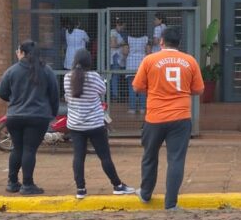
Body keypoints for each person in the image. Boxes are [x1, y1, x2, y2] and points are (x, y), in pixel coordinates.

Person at [132, 27, 204, 210]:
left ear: (161, 42)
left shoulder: (150, 60)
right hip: (180, 117)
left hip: (155, 117)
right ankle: (170, 203)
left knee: (149, 156)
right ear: (179, 43)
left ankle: (145, 193)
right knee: (176, 159)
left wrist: (155, 88)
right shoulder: (190, 61)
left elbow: (137, 87)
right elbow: (198, 90)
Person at [64, 49, 135, 199]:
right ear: (89, 62)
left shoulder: (67, 77)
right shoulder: (94, 77)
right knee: (104, 156)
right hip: (95, 124)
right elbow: (102, 91)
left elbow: (68, 95)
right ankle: (117, 185)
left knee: (78, 156)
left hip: (75, 125)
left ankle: (81, 189)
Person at [0, 40, 60, 195]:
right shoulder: (46, 71)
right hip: (38, 116)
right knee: (29, 150)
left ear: (23, 53)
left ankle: (12, 183)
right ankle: (27, 184)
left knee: (17, 148)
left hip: (14, 116)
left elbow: (1, 92)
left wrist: (14, 101)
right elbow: (54, 94)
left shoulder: (12, 71)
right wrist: (52, 113)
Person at [126, 31, 150, 114]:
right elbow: (148, 51)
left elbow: (125, 52)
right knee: (142, 88)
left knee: (131, 88)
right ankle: (143, 108)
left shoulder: (128, 38)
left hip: (131, 64)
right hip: (142, 63)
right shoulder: (145, 38)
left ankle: (132, 108)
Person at [109, 18, 128, 101]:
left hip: (121, 57)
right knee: (115, 76)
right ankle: (115, 95)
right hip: (115, 56)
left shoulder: (120, 33)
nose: (123, 28)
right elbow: (113, 45)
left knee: (120, 76)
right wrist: (122, 43)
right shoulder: (113, 32)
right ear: (118, 25)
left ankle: (118, 94)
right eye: (122, 26)